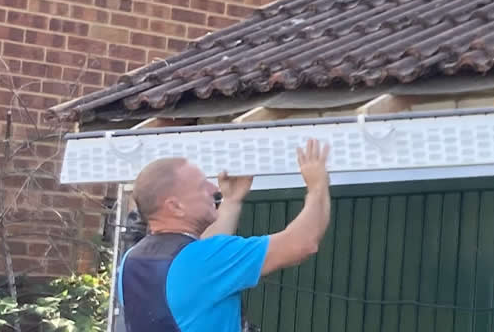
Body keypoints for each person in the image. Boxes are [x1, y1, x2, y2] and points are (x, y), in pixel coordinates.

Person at [115, 140, 334, 331]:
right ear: (175, 206)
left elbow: (195, 261)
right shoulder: (204, 261)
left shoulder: (131, 263)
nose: (213, 189)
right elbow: (302, 243)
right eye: (201, 186)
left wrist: (231, 201)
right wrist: (317, 186)